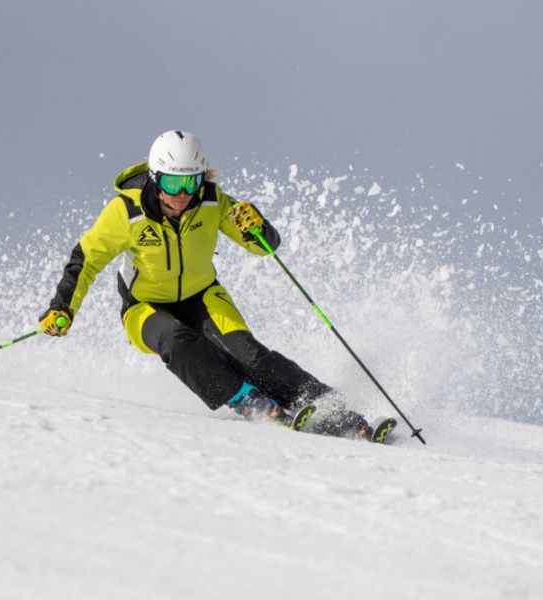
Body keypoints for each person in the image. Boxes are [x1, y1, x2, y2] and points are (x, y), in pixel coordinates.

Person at [38, 130, 375, 438]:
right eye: (172, 184)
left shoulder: (212, 201)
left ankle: (336, 411)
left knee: (249, 355)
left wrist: (257, 225)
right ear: (156, 180)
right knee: (177, 341)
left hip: (203, 297)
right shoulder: (127, 212)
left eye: (191, 183)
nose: (183, 195)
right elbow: (86, 259)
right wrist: (62, 307)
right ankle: (246, 400)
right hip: (145, 307)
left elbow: (265, 246)